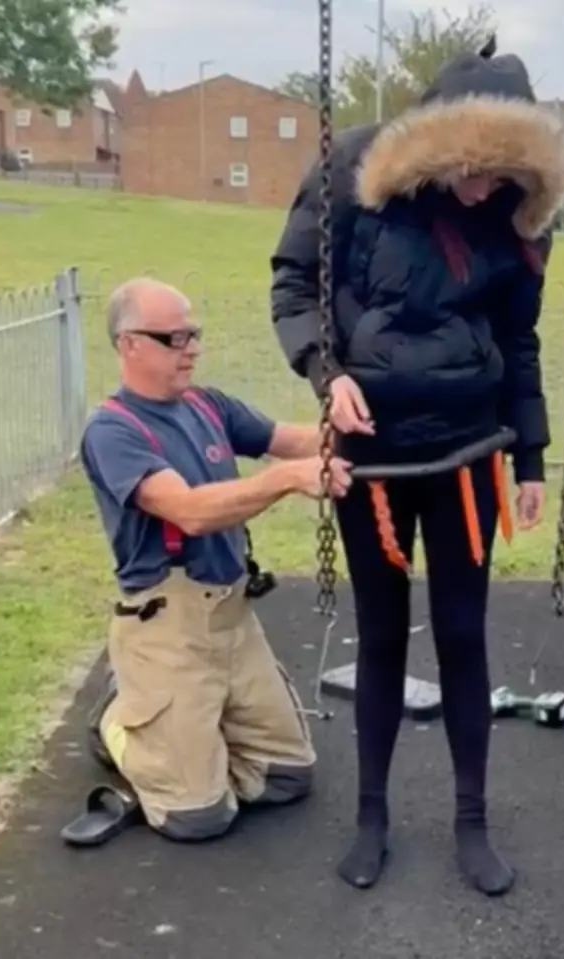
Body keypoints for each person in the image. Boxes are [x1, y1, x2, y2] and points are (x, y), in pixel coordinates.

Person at [269, 40, 564, 895]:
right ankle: (372, 815)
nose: (484, 189)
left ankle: (472, 820)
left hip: (470, 450)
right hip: (374, 455)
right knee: (381, 633)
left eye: (504, 172)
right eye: (472, 169)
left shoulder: (515, 215)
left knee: (466, 634)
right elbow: (295, 285)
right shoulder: (353, 171)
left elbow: (517, 339)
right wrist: (328, 379)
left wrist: (532, 455)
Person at [74, 277, 344, 845]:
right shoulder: (113, 431)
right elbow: (189, 512)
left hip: (230, 616)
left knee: (287, 778)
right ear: (129, 345)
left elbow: (287, 439)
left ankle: (189, 737)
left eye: (193, 333)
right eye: (174, 338)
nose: (191, 347)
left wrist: (358, 428)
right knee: (199, 818)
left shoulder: (206, 403)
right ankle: (120, 724)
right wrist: (288, 481)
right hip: (168, 624)